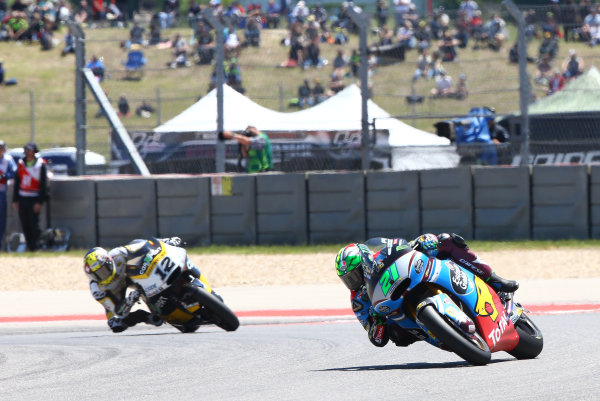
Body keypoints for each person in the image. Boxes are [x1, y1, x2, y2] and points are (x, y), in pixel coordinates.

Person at [335, 234, 519, 348]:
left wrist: (422, 240)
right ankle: (441, 330)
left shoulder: (380, 255)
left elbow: (403, 247)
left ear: (365, 261)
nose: (353, 282)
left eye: (354, 275)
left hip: (412, 278)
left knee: (447, 240)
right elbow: (376, 339)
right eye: (347, 280)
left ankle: (494, 281)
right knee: (397, 336)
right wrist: (377, 320)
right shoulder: (358, 300)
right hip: (403, 318)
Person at [83, 237, 200, 333]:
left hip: (129, 276)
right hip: (116, 295)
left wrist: (165, 242)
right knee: (115, 325)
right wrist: (130, 300)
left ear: (109, 261)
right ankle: (148, 317)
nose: (101, 276)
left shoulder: (117, 254)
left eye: (102, 271)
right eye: (96, 275)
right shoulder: (97, 290)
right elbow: (119, 311)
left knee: (136, 242)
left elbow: (144, 245)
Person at [12, 142, 49, 251]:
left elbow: (43, 184)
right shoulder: (20, 164)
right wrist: (15, 199)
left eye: (30, 150)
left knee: (34, 224)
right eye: (26, 150)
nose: (27, 152)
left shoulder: (40, 164)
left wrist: (40, 201)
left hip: (34, 198)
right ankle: (29, 246)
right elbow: (17, 182)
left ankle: (36, 246)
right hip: (23, 197)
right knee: (25, 223)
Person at [0, 140, 16, 251]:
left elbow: (14, 172)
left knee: (1, 219)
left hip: (1, 192)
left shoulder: (8, 160)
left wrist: (4, 176)